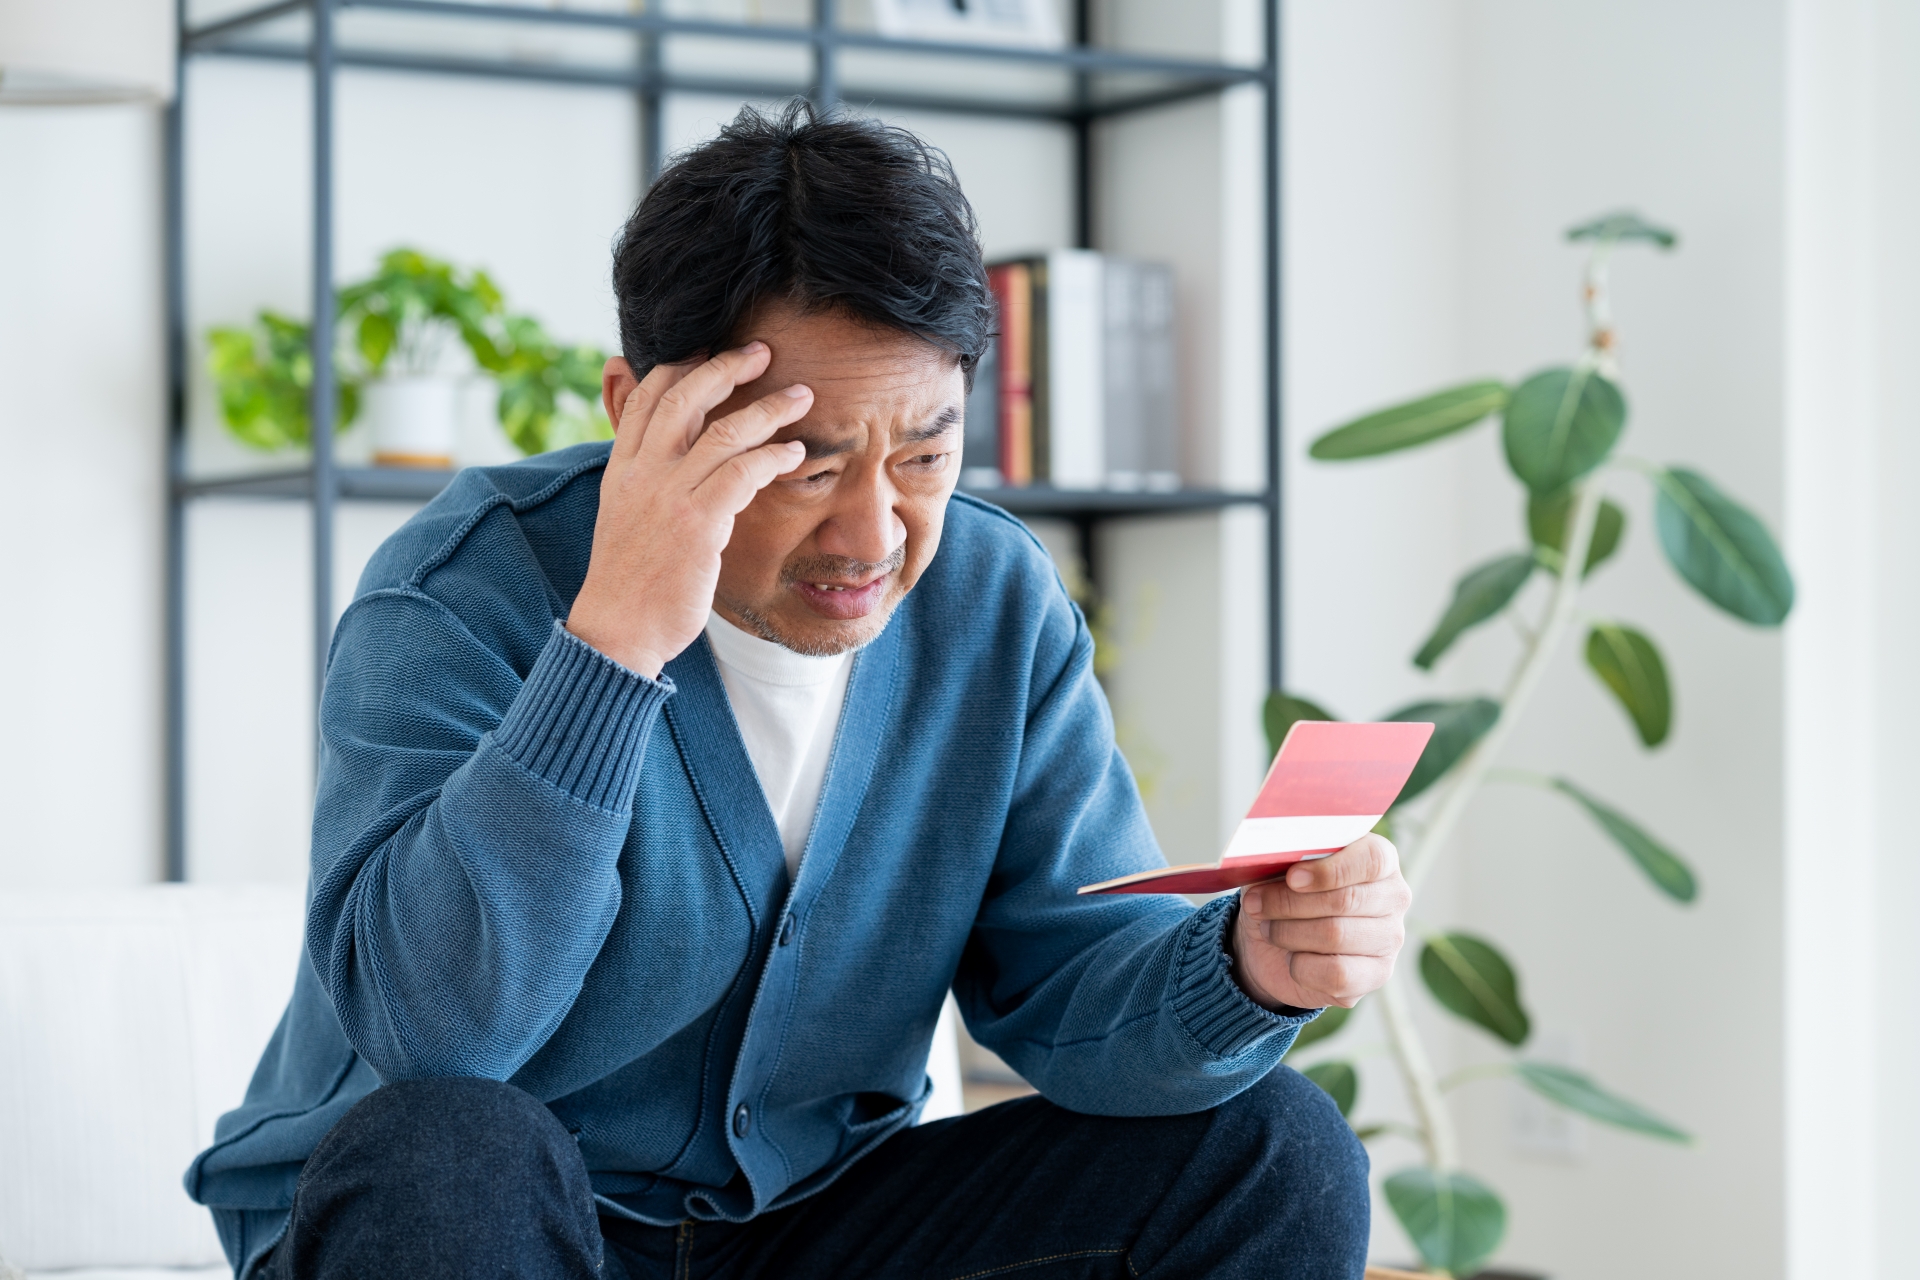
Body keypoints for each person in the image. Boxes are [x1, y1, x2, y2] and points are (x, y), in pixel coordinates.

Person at [185, 101, 1411, 1280]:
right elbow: (442, 1034)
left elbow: (1072, 980)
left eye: (926, 453)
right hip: (472, 1215)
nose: (873, 531)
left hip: (812, 1226)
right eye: (805, 462)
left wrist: (1246, 965)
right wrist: (612, 642)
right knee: (453, 1149)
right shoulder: (463, 586)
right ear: (640, 414)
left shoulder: (993, 602)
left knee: (1274, 1148)